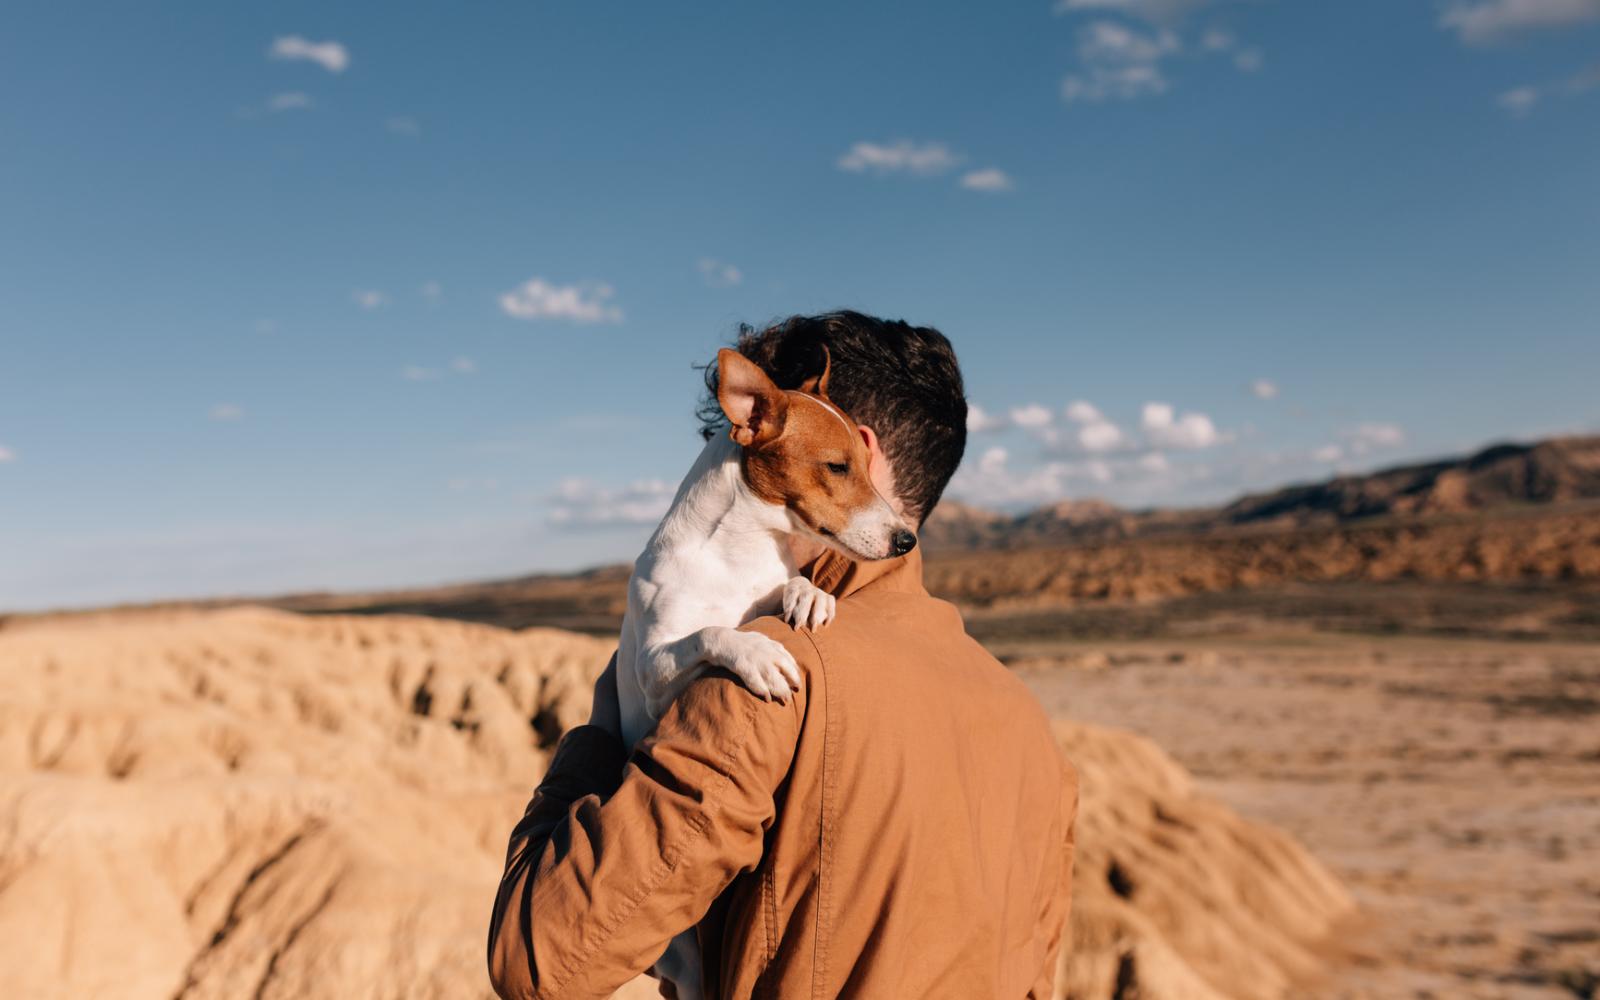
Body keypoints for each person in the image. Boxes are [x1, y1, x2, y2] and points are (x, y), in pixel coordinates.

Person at [488, 311, 1078, 999]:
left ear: (849, 441)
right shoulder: (1029, 723)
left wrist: (598, 736)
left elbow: (538, 964)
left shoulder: (765, 678)